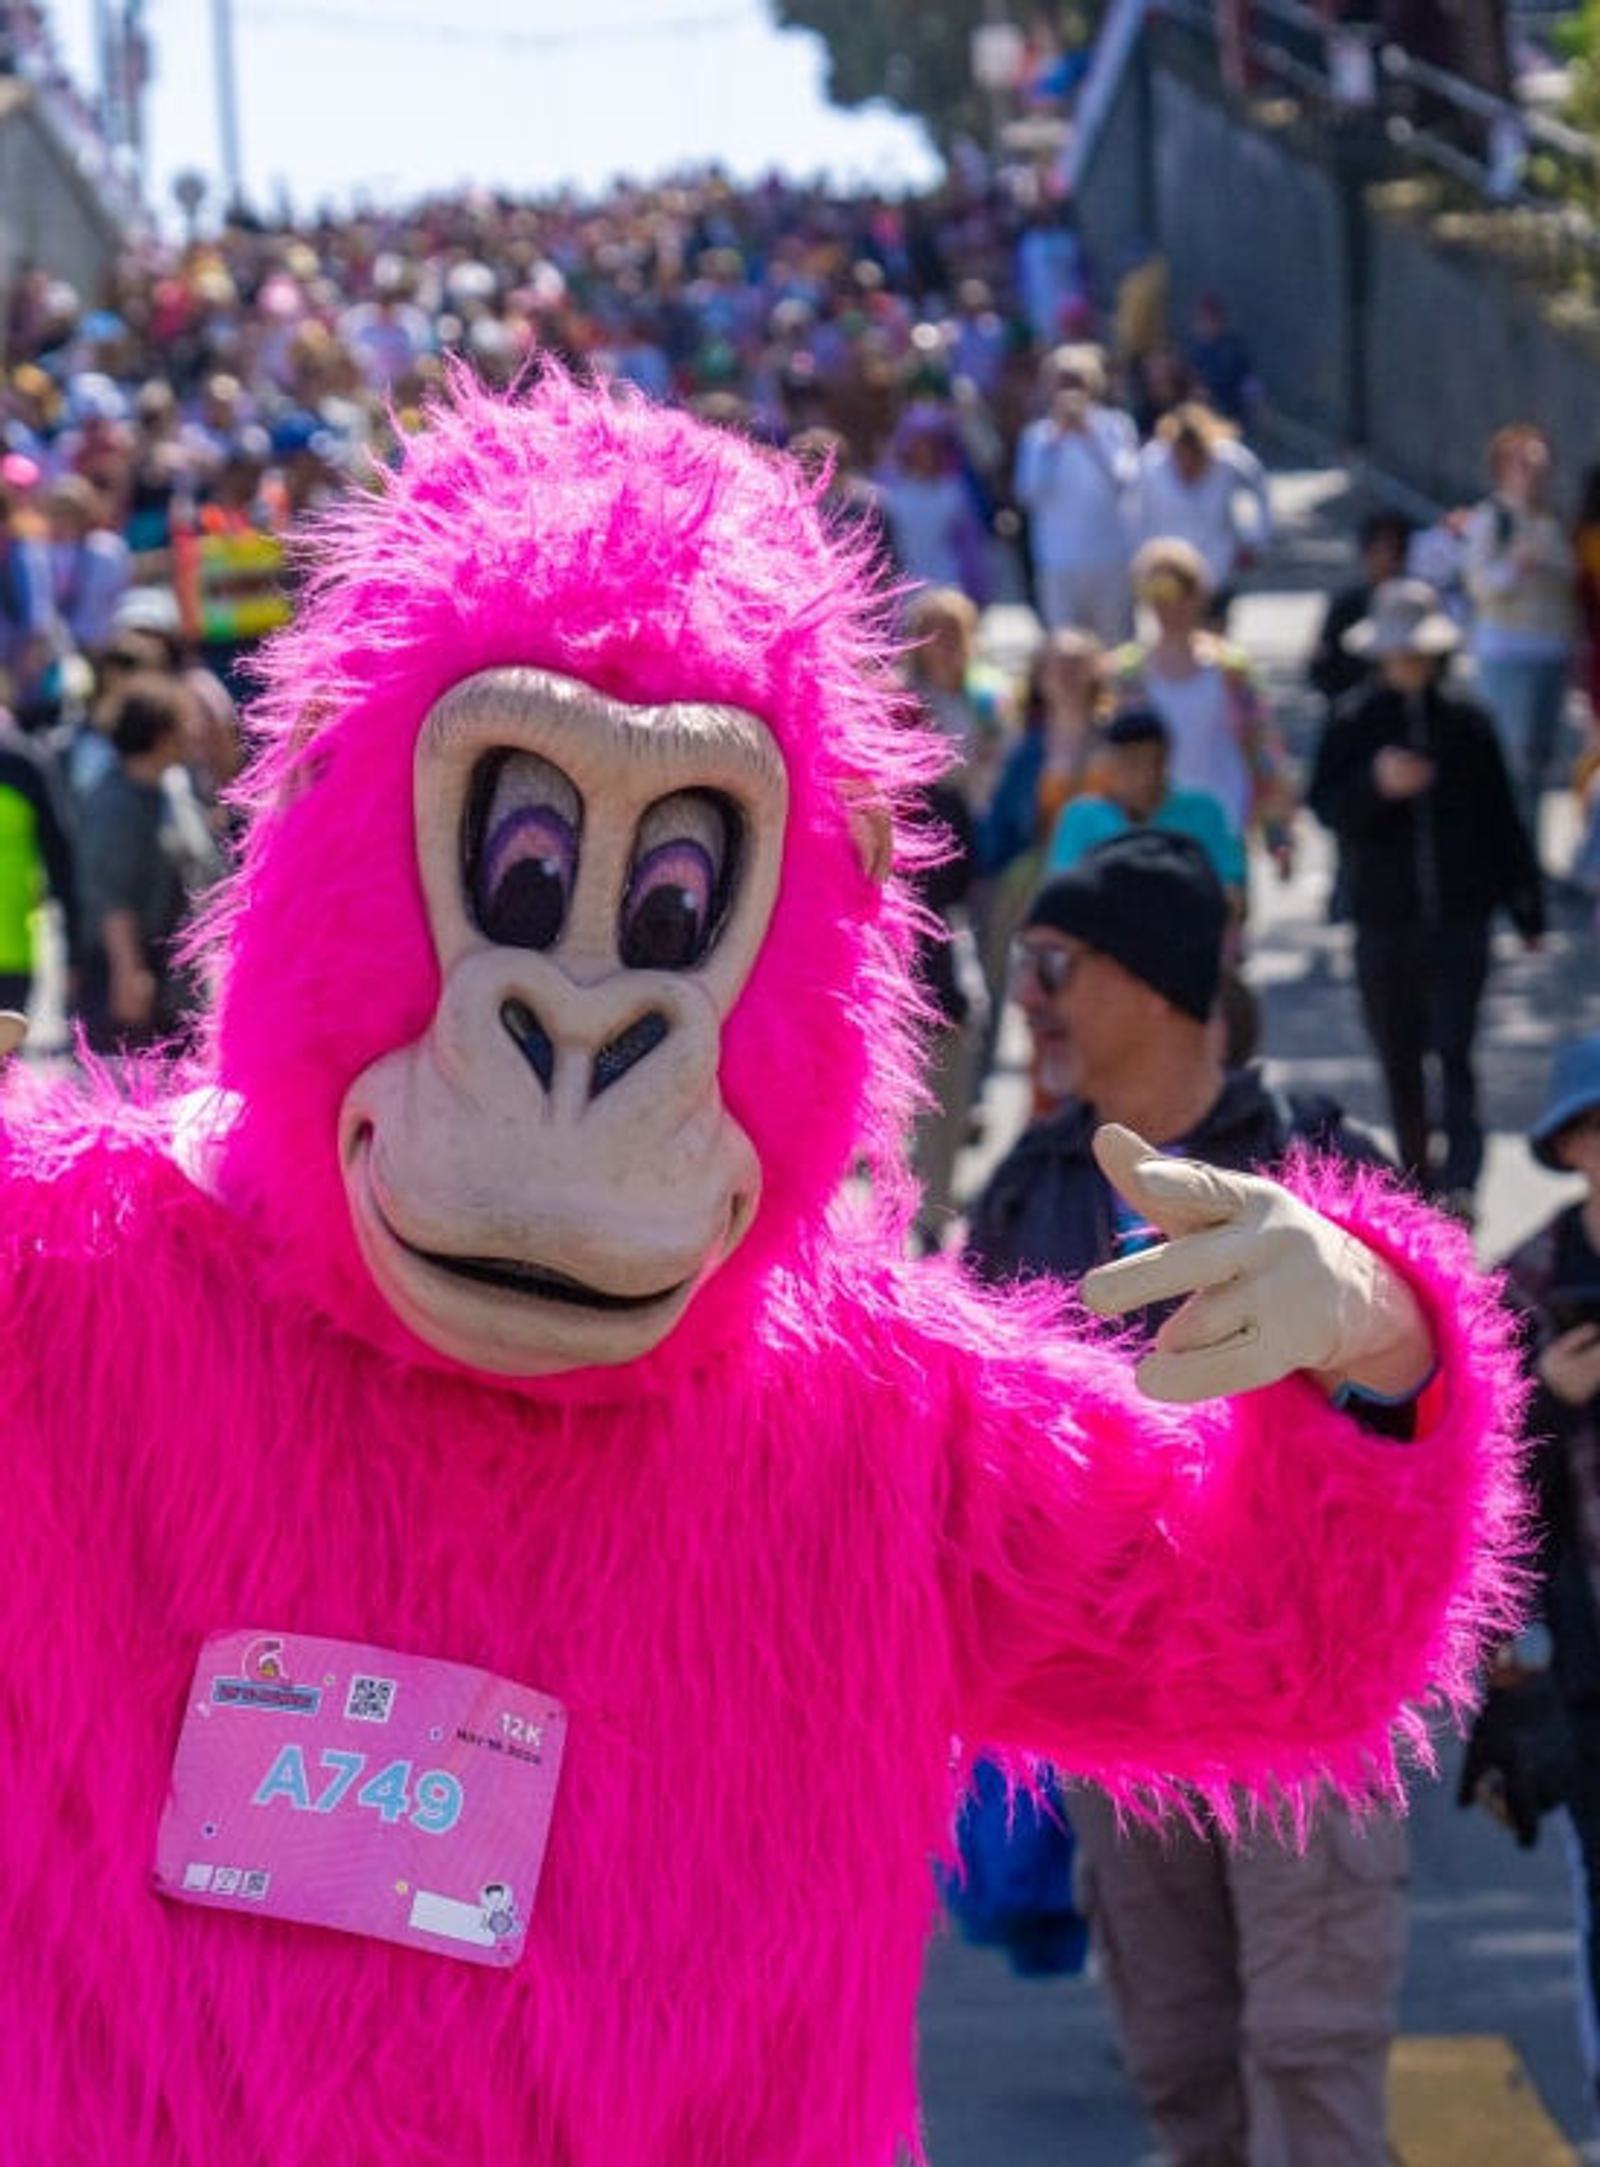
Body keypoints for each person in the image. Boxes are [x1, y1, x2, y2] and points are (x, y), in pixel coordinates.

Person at [965, 830, 1410, 2167]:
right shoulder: (1029, 1187)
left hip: (1301, 1690)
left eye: (1054, 964)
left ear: (1151, 981)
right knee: (1174, 2057)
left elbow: (1435, 1417)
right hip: (1126, 1709)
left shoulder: (1319, 1169)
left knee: (1310, 2058)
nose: (1025, 995)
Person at [1308, 577, 1542, 1216]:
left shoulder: (1468, 721)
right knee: (1399, 1056)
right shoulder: (1353, 720)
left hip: (1462, 915)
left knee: (1455, 1047)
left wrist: (1526, 905)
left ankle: (1463, 1177)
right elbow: (1326, 806)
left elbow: (1502, 817)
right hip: (1383, 919)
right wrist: (1376, 787)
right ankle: (1417, 1175)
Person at [1497, 1035, 1600, 2129]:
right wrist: (1546, 1394)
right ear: (1570, 1145)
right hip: (1583, 1647)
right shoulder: (1526, 1282)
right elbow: (1472, 1471)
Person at [1113, 536, 1292, 860]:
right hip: (1153, 822)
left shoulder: (1231, 668)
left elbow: (1263, 749)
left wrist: (1277, 829)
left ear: (1197, 594)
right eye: (1152, 594)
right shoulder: (1128, 673)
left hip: (1225, 817)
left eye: (1174, 591)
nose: (1165, 606)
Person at [77, 672, 222, 1053]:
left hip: (175, 977)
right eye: (183, 726)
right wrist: (129, 972)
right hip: (133, 970)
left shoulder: (172, 789)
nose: (192, 735)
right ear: (161, 735)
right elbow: (111, 895)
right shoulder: (116, 804)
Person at [1464, 422, 1577, 842]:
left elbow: (1572, 577)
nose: (1534, 475)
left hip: (1552, 648)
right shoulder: (1492, 519)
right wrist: (1513, 568)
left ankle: (1530, 847)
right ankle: (1506, 849)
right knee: (1510, 758)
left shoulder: (1553, 519)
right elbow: (1478, 584)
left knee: (1540, 761)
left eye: (1540, 466)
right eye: (1525, 466)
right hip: (1507, 652)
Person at [1045, 707, 1245, 900]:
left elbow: (1232, 891)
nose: (1146, 776)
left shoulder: (1203, 810)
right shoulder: (1081, 816)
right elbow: (1062, 896)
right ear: (1107, 764)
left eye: (1156, 761)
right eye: (1131, 764)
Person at [1013, 345, 1137, 644]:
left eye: (1076, 382)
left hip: (1110, 557)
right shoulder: (1037, 436)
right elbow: (1028, 493)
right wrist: (1055, 443)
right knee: (1065, 644)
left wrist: (1090, 437)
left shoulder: (1116, 426)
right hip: (1057, 559)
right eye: (1062, 382)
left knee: (1113, 643)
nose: (1069, 391)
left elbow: (1125, 480)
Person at [1132, 403, 1273, 621]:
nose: (1187, 460)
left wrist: (1254, 541)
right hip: (1169, 568)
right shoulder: (1151, 463)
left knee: (1214, 629)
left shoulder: (1228, 459)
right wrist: (1141, 556)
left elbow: (1261, 490)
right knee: (1174, 627)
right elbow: (1134, 512)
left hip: (1218, 564)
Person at [1307, 509, 1414, 713]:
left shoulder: (1415, 603)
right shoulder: (1347, 606)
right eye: (1379, 551)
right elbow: (1322, 666)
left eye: (1395, 552)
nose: (1387, 560)